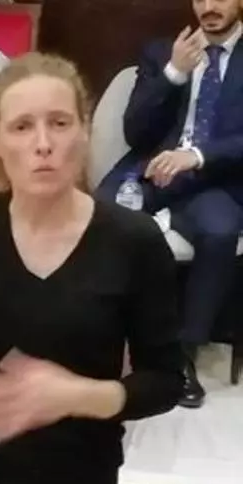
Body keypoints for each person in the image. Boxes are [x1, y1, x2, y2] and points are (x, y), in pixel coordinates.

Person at [0, 53, 184, 484]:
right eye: (22, 127)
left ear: (84, 131)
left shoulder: (133, 239)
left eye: (60, 123)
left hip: (80, 477)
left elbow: (165, 381)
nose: (43, 144)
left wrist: (75, 395)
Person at [95, 0, 243, 408]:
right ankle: (98, 339)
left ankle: (183, 355)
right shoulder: (161, 52)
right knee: (98, 217)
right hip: (153, 169)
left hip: (216, 178)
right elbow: (135, 131)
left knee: (220, 230)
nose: (209, 7)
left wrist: (197, 156)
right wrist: (174, 73)